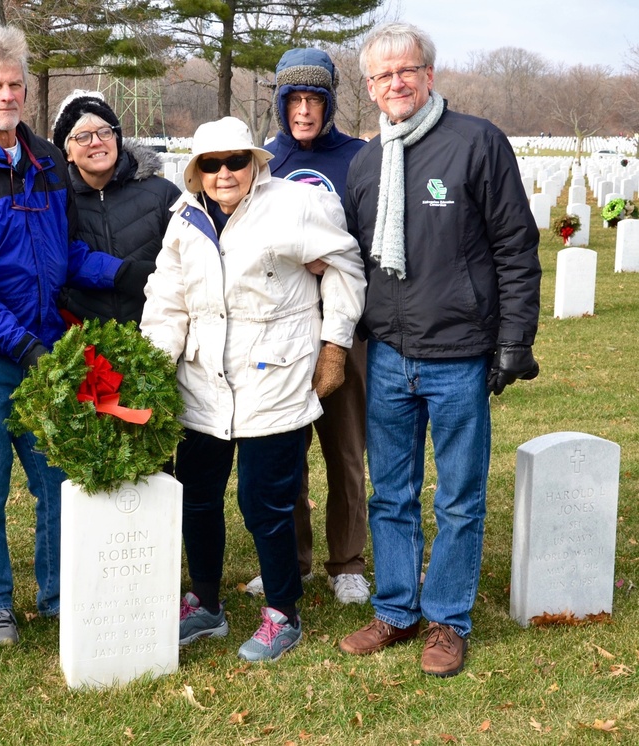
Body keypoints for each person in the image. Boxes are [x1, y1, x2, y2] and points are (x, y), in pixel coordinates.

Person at [0, 26, 138, 646]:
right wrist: (31, 350)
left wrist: (123, 271)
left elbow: (62, 254)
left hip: (43, 346)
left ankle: (61, 591)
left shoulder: (43, 163)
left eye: (15, 84)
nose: (7, 95)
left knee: (58, 481)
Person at [338, 23, 541, 677]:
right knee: (389, 492)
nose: (395, 83)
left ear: (429, 74)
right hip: (391, 354)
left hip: (459, 353)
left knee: (458, 496)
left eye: (406, 70)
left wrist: (514, 339)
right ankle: (396, 610)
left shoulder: (476, 143)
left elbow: (515, 245)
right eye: (381, 75)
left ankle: (448, 620)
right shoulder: (368, 162)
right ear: (369, 88)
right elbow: (352, 258)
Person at [141, 117, 365, 662]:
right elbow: (167, 302)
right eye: (211, 165)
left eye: (235, 161)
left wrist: (335, 345)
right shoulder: (183, 221)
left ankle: (283, 613)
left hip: (275, 377)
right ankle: (205, 603)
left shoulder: (293, 204)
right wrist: (151, 368)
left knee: (264, 502)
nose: (224, 174)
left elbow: (344, 267)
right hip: (202, 383)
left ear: (254, 163)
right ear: (196, 172)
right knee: (197, 497)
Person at [243, 47, 371, 605]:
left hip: (347, 328)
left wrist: (335, 257)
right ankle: (291, 558)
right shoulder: (264, 163)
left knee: (345, 449)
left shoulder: (361, 159)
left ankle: (347, 560)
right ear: (279, 103)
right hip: (284, 330)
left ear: (329, 102)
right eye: (292, 99)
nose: (303, 110)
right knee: (283, 448)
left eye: (313, 99)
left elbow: (376, 235)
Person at [50, 90, 180, 325]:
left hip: (157, 335)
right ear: (67, 152)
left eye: (104, 132)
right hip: (84, 340)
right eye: (82, 137)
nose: (96, 142)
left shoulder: (162, 194)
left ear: (116, 138)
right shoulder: (55, 202)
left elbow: (189, 261)